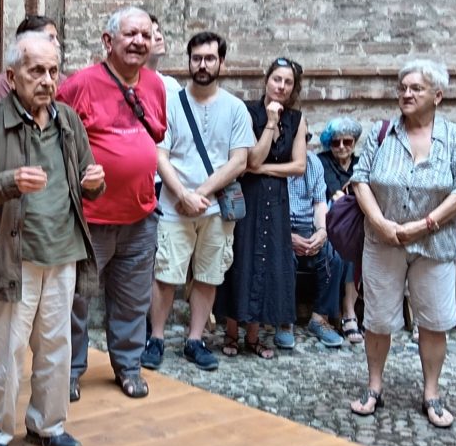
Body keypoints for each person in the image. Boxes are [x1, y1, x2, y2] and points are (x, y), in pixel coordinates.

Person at [0, 31, 104, 446]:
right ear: (11, 75)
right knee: (6, 351)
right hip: (10, 256)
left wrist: (95, 182)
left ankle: (48, 425)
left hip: (63, 252)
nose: (47, 80)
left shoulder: (68, 120)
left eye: (53, 71)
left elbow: (87, 179)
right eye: (36, 70)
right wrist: (10, 182)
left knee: (57, 347)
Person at [345, 59, 456, 429]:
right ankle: (374, 387)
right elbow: (360, 179)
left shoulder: (455, 136)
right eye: (402, 87)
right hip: (383, 240)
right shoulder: (382, 132)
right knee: (377, 319)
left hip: (436, 243)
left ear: (437, 96)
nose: (406, 94)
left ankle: (431, 393)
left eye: (416, 88)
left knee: (434, 321)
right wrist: (380, 223)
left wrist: (425, 223)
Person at [58, 6, 167, 400]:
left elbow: (155, 136)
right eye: (130, 34)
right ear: (108, 41)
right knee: (75, 300)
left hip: (140, 216)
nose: (139, 41)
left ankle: (128, 367)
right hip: (90, 219)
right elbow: (54, 143)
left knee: (133, 299)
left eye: (145, 35)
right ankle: (69, 371)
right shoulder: (79, 85)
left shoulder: (155, 85)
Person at [145, 31, 252, 371]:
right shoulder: (170, 103)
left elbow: (239, 161)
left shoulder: (235, 108)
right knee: (165, 274)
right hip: (174, 205)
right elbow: (159, 154)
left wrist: (200, 194)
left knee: (208, 275)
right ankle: (156, 338)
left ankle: (195, 340)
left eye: (209, 58)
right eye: (196, 58)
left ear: (222, 62)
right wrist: (182, 195)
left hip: (216, 208)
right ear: (189, 61)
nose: (202, 64)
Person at [216, 58, 308, 357]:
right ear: (266, 80)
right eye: (277, 79)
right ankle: (232, 333)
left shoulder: (297, 119)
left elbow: (298, 166)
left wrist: (264, 169)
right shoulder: (247, 111)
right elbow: (251, 158)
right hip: (248, 197)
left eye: (288, 82)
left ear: (294, 87)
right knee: (241, 258)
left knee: (268, 262)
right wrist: (270, 123)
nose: (281, 86)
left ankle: (254, 336)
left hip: (276, 201)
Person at [280, 148, 347, 348]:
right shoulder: (276, 163)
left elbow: (319, 204)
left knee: (333, 257)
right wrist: (287, 237)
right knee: (283, 257)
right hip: (282, 229)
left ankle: (319, 318)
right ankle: (284, 320)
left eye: (305, 139)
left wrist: (321, 231)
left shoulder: (313, 163)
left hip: (309, 228)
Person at [318, 117, 364, 343]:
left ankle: (349, 310)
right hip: (328, 223)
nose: (342, 147)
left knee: (356, 246)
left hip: (354, 224)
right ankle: (347, 313)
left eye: (347, 142)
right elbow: (335, 195)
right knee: (347, 246)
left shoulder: (361, 164)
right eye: (336, 142)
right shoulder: (322, 162)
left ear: (354, 142)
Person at [0, 15, 60, 101]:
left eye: (53, 71)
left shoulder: (62, 80)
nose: (57, 44)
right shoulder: (5, 82)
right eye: (50, 38)